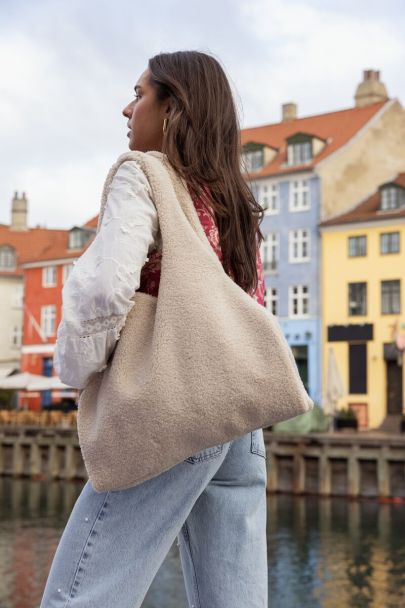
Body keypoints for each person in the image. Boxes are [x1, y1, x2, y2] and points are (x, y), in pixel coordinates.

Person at [40, 50, 268, 608]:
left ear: (172, 108)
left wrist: (75, 368)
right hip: (240, 419)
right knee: (232, 598)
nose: (126, 107)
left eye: (139, 94)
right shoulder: (234, 198)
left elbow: (105, 289)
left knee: (82, 593)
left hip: (173, 403)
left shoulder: (143, 174)